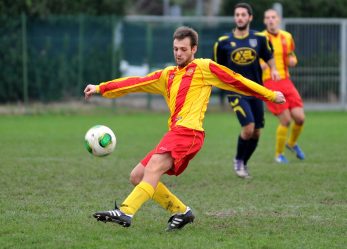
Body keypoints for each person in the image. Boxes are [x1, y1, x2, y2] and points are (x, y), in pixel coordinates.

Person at [84, 26, 285, 231]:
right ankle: (181, 211)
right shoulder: (167, 75)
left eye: (183, 49)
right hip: (175, 133)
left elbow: (236, 80)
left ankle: (126, 211)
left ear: (194, 49)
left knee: (153, 167)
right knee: (137, 176)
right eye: (175, 49)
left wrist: (269, 94)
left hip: (190, 132)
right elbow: (135, 83)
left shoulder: (204, 68)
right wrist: (101, 87)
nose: (178, 53)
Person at [213, 3, 280, 178]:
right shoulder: (223, 42)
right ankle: (238, 160)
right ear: (235, 18)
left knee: (257, 132)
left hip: (256, 90)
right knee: (248, 127)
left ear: (250, 17)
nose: (240, 17)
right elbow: (216, 67)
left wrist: (273, 69)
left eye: (243, 14)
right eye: (237, 15)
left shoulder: (259, 38)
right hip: (236, 92)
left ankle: (243, 162)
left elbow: (269, 55)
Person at [261, 8, 305, 163]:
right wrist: (261, 65)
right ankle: (279, 154)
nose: (271, 20)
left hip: (286, 81)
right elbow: (255, 59)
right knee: (285, 120)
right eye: (268, 18)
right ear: (264, 21)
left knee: (300, 118)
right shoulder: (260, 39)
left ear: (278, 19)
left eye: (273, 17)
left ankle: (291, 143)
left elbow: (291, 55)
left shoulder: (287, 37)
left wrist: (293, 60)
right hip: (269, 83)